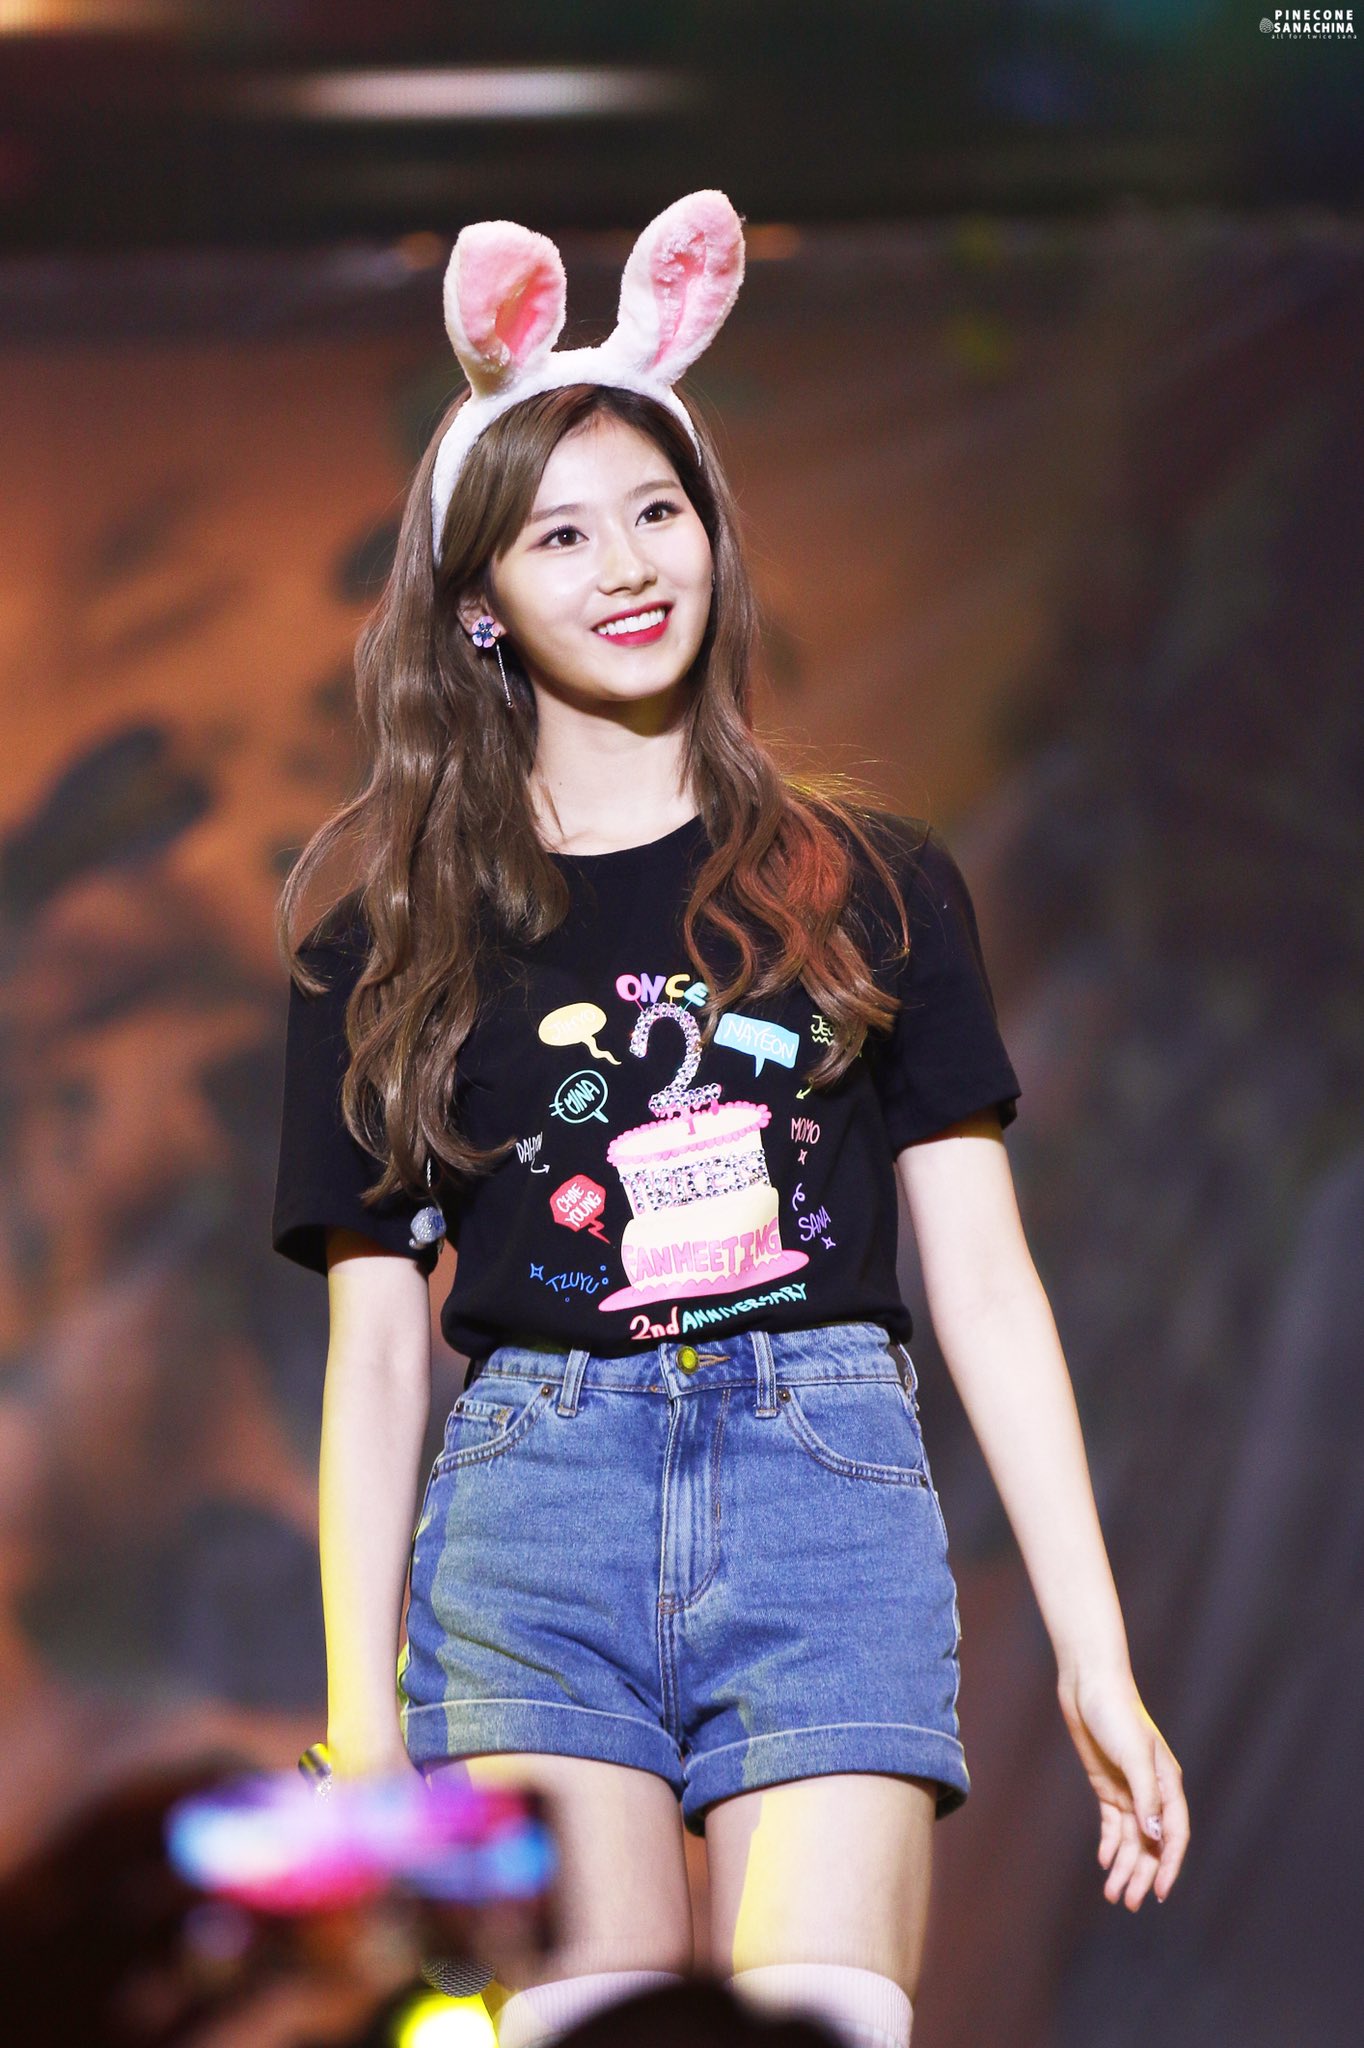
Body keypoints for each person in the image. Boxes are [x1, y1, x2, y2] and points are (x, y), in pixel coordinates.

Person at [270, 193, 1188, 2048]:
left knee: (827, 2019)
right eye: (560, 532)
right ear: (478, 600)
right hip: (533, 1513)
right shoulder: (390, 938)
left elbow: (986, 1287)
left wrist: (1096, 1652)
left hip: (821, 1491)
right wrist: (361, 1731)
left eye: (658, 512)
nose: (627, 566)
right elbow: (374, 1356)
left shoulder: (877, 882)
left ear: (712, 534)